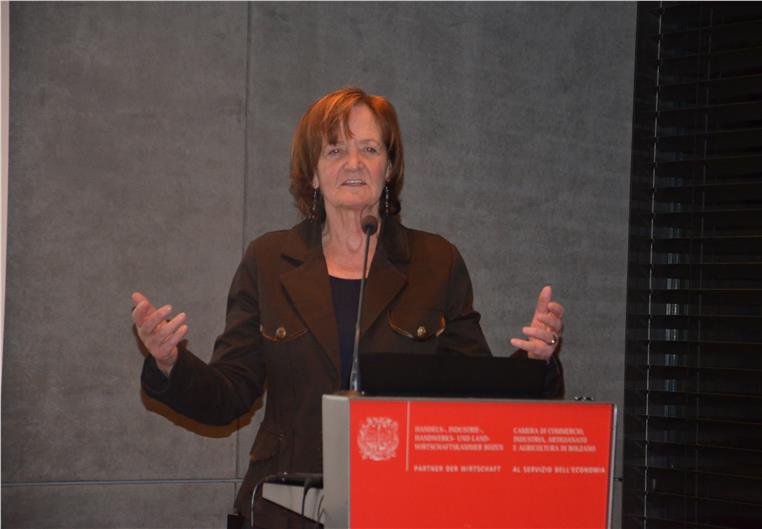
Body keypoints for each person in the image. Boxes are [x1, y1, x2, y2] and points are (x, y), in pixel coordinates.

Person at [132, 87, 565, 528]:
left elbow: (475, 400)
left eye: (369, 149)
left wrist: (535, 363)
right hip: (286, 507)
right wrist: (170, 364)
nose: (353, 163)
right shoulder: (268, 260)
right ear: (313, 173)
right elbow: (230, 394)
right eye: (335, 149)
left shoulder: (436, 262)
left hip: (403, 507)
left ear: (389, 168)